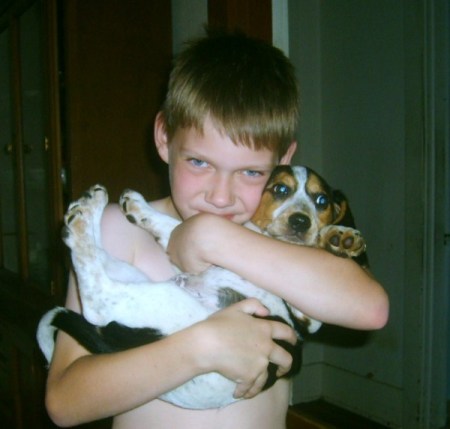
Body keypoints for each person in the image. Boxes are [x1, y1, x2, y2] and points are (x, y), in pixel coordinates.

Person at [45, 30, 389, 429]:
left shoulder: (278, 240)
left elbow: (371, 309)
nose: (221, 197)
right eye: (199, 163)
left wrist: (215, 237)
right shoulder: (119, 230)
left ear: (284, 159)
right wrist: (201, 348)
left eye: (250, 172)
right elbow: (65, 401)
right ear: (164, 138)